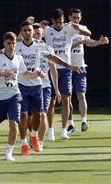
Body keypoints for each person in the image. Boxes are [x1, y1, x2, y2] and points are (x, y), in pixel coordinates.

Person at [16, 21, 80, 155]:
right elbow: (4, 57)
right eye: (25, 30)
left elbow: (53, 59)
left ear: (33, 32)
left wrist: (69, 66)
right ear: (21, 32)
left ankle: (35, 137)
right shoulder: (17, 46)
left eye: (29, 30)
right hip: (21, 85)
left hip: (38, 85)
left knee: (39, 115)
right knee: (23, 117)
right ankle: (23, 144)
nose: (27, 32)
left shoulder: (40, 46)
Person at [0, 32, 42, 161]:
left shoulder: (18, 58)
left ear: (16, 43)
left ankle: (8, 153)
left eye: (13, 43)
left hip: (14, 95)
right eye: (8, 43)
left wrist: (37, 74)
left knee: (14, 123)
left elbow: (25, 74)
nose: (11, 46)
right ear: (4, 43)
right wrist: (3, 74)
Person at [43, 8, 91, 140]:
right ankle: (50, 130)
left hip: (66, 70)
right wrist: (37, 26)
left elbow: (89, 33)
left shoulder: (69, 28)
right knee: (51, 101)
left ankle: (64, 129)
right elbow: (30, 36)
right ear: (53, 21)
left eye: (61, 22)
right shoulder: (47, 31)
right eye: (57, 22)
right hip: (51, 69)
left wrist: (78, 28)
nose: (59, 24)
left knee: (66, 99)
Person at [66, 8, 109, 134]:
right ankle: (70, 124)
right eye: (74, 17)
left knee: (81, 95)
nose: (76, 20)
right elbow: (63, 48)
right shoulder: (64, 30)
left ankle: (84, 121)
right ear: (69, 17)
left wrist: (99, 42)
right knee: (67, 98)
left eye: (78, 18)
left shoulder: (83, 29)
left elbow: (89, 43)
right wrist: (80, 41)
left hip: (80, 67)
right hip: (67, 67)